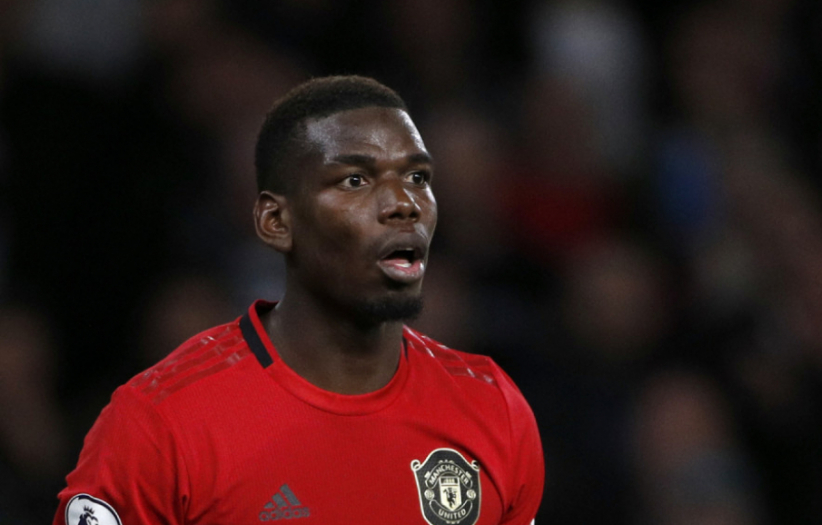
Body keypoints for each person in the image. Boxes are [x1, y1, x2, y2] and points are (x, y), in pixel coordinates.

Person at [54, 76, 544, 525]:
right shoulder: (159, 424)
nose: (404, 203)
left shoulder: (493, 408)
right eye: (356, 180)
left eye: (417, 177)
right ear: (276, 222)